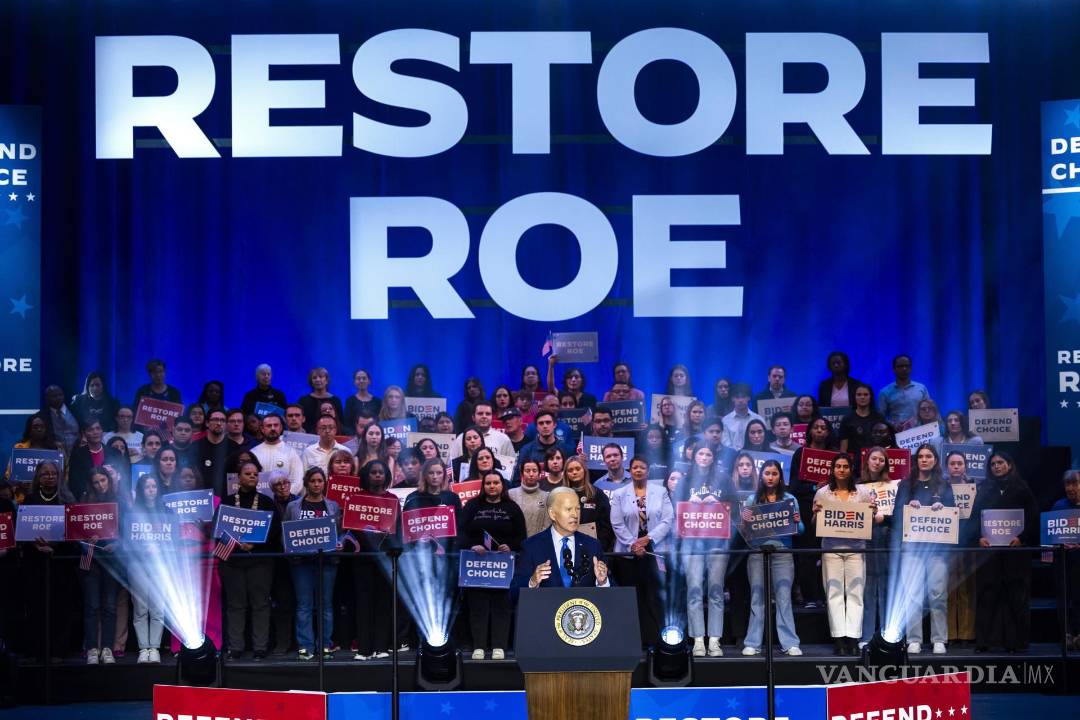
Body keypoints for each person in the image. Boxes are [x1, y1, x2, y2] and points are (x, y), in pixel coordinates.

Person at [969, 451, 1039, 653]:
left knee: (1016, 597)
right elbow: (974, 520)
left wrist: (1022, 538)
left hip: (1015, 554)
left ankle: (1017, 643)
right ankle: (984, 642)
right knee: (987, 596)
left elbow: (1034, 519)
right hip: (989, 554)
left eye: (1000, 463)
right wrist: (978, 538)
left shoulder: (1022, 489)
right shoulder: (984, 490)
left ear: (1009, 465)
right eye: (993, 464)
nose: (996, 466)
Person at [892, 444, 955, 655]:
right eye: (920, 457)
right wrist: (909, 507)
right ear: (916, 460)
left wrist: (942, 509)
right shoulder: (906, 485)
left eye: (928, 456)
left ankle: (939, 639)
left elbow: (953, 517)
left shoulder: (945, 486)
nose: (924, 460)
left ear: (935, 460)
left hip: (936, 549)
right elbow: (897, 516)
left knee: (938, 594)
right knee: (912, 595)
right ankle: (914, 639)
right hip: (911, 548)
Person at [675, 444, 737, 656]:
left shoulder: (724, 479)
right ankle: (698, 640)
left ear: (713, 457)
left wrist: (718, 503)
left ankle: (715, 640)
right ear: (694, 456)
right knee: (694, 591)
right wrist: (687, 504)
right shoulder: (684, 481)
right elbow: (674, 512)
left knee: (716, 591)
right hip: (691, 544)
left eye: (708, 453)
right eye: (700, 453)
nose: (703, 457)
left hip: (717, 542)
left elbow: (735, 511)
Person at [812, 454, 877, 655]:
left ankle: (853, 638)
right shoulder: (823, 493)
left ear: (851, 469)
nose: (841, 469)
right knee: (834, 593)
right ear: (833, 469)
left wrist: (872, 512)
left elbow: (869, 522)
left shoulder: (862, 492)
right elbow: (815, 524)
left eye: (845, 466)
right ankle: (839, 640)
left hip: (856, 548)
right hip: (831, 548)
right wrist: (815, 513)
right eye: (838, 466)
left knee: (856, 593)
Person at [461, 470, 527, 659]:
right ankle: (479, 647)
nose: (492, 486)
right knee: (477, 606)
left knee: (502, 606)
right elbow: (461, 532)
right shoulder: (472, 506)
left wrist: (511, 546)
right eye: (488, 483)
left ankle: (499, 647)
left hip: (503, 566)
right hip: (476, 566)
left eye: (495, 483)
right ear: (483, 486)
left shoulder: (512, 508)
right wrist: (471, 545)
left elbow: (522, 537)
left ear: (502, 485)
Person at [219, 459, 281, 660]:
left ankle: (260, 648)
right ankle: (235, 648)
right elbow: (217, 530)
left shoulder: (266, 502)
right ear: (238, 478)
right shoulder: (227, 502)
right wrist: (237, 542)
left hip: (260, 560)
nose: (252, 476)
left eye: (255, 474)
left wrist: (255, 544)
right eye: (248, 473)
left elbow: (275, 530)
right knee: (235, 604)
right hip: (232, 560)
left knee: (261, 604)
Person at [741, 460, 803, 656]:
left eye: (774, 473)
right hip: (758, 552)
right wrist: (744, 521)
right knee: (757, 597)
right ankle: (752, 642)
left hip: (782, 552)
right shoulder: (752, 500)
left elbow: (800, 530)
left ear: (780, 476)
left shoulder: (790, 499)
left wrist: (796, 522)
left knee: (784, 597)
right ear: (761, 475)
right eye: (767, 473)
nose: (770, 477)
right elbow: (744, 533)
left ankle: (790, 643)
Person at [610, 455, 673, 646]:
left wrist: (647, 539)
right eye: (635, 467)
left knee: (653, 596)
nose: (638, 470)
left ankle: (655, 639)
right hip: (627, 555)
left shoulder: (660, 491)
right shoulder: (620, 494)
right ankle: (630, 639)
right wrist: (633, 544)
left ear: (648, 471)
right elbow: (617, 523)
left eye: (642, 467)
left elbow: (668, 520)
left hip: (654, 551)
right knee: (632, 596)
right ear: (630, 470)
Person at [284, 467, 342, 659]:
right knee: (304, 605)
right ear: (306, 483)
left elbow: (340, 532)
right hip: (301, 563)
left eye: (320, 481)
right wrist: (290, 546)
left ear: (324, 483)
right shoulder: (293, 507)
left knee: (325, 605)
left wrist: (339, 543)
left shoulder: (332, 506)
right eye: (313, 481)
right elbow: (285, 532)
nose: (317, 484)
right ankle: (305, 646)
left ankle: (325, 644)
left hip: (327, 561)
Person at [351, 459, 405, 659]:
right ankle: (364, 649)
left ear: (386, 476)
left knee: (384, 603)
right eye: (373, 472)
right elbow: (352, 528)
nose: (377, 476)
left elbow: (398, 529)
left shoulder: (392, 499)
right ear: (366, 475)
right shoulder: (357, 498)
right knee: (364, 603)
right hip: (363, 558)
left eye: (381, 472)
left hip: (386, 558)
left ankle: (381, 647)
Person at [513, 486, 611, 591]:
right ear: (552, 514)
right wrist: (532, 582)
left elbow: (615, 594)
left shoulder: (593, 546)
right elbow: (513, 594)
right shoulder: (531, 546)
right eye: (568, 509)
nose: (575, 515)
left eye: (577, 509)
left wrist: (603, 582)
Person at [789, 416, 837, 608]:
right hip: (807, 509)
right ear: (809, 431)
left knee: (826, 554)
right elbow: (793, 486)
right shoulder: (800, 453)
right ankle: (808, 596)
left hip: (831, 510)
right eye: (816, 427)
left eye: (823, 427)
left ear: (828, 432)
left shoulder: (835, 456)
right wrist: (813, 488)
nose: (819, 430)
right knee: (807, 555)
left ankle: (825, 596)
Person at [78, 468, 120, 664]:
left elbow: (128, 531)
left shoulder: (119, 503)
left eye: (103, 480)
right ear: (91, 484)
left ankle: (108, 649)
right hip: (91, 559)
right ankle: (92, 649)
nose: (100, 485)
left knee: (110, 606)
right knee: (92, 606)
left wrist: (117, 543)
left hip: (112, 560)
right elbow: (74, 534)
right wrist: (88, 541)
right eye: (96, 482)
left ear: (109, 481)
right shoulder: (84, 504)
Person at [127, 473, 167, 662]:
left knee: (157, 609)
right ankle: (144, 648)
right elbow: (127, 542)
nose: (151, 490)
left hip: (161, 565)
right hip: (137, 564)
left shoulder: (167, 513)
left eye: (154, 486)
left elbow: (173, 541)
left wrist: (159, 549)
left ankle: (155, 649)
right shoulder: (132, 514)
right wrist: (144, 550)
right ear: (141, 491)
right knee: (140, 608)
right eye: (147, 487)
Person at [858, 447, 893, 649]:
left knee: (886, 588)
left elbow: (899, 515)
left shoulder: (894, 486)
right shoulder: (858, 486)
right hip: (864, 538)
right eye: (874, 458)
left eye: (881, 460)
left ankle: (888, 634)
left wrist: (884, 517)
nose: (877, 462)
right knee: (868, 588)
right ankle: (867, 635)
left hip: (885, 538)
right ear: (867, 461)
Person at [1050, 470, 1080, 650]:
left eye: (1075, 484)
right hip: (1063, 561)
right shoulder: (1058, 507)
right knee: (1064, 598)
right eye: (1068, 484)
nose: (1071, 488)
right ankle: (1067, 634)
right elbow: (1050, 535)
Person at [68, 419, 128, 499]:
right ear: (84, 433)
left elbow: (123, 476)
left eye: (98, 428)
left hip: (113, 498)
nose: (95, 432)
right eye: (90, 430)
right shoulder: (77, 455)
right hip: (88, 500)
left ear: (102, 431)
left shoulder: (115, 453)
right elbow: (74, 482)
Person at [563, 455, 614, 550]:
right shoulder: (561, 496)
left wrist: (600, 545)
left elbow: (607, 524)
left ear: (584, 470)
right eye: (570, 470)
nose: (574, 472)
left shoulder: (597, 494)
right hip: (567, 547)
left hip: (594, 546)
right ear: (566, 474)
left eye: (578, 469)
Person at [251, 414, 304, 496]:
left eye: (276, 425)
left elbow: (298, 480)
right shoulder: (254, 452)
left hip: (285, 502)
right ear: (262, 429)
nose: (273, 428)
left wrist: (285, 496)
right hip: (259, 501)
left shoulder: (291, 452)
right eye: (269, 426)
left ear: (281, 427)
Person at [877, 355, 930, 431]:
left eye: (907, 366)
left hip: (919, 434)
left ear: (911, 368)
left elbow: (928, 411)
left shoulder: (921, 388)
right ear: (894, 369)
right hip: (896, 434)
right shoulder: (885, 392)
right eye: (900, 366)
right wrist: (893, 424)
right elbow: (880, 417)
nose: (904, 369)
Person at [448, 401, 514, 458]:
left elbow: (511, 465)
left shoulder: (503, 439)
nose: (484, 416)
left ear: (492, 417)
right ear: (473, 417)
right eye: (480, 413)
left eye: (488, 414)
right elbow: (451, 463)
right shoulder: (462, 438)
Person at [839, 384, 886, 463]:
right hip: (854, 463)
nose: (862, 397)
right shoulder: (847, 419)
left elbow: (884, 443)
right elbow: (843, 449)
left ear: (871, 397)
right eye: (859, 395)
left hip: (875, 461)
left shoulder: (879, 418)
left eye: (866, 394)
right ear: (854, 397)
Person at [510, 459, 550, 536]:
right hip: (515, 544)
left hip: (538, 543)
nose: (531, 474)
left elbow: (547, 525)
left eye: (534, 471)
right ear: (522, 474)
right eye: (527, 471)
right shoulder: (511, 494)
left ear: (539, 474)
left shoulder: (546, 497)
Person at [298, 368, 343, 433]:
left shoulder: (336, 400)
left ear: (327, 380)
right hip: (308, 436)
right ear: (311, 381)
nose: (318, 380)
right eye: (314, 378)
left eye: (321, 377)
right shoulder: (303, 400)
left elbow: (341, 422)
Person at [721, 384, 764, 450]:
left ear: (749, 398)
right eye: (737, 397)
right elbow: (725, 443)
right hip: (732, 457)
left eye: (743, 397)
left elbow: (764, 441)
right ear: (732, 399)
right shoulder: (725, 420)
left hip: (756, 455)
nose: (740, 400)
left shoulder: (759, 419)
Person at [43, 384, 81, 455]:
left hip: (78, 453)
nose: (58, 398)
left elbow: (84, 428)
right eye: (54, 396)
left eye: (60, 395)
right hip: (55, 455)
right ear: (47, 398)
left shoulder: (75, 410)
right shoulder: (42, 416)